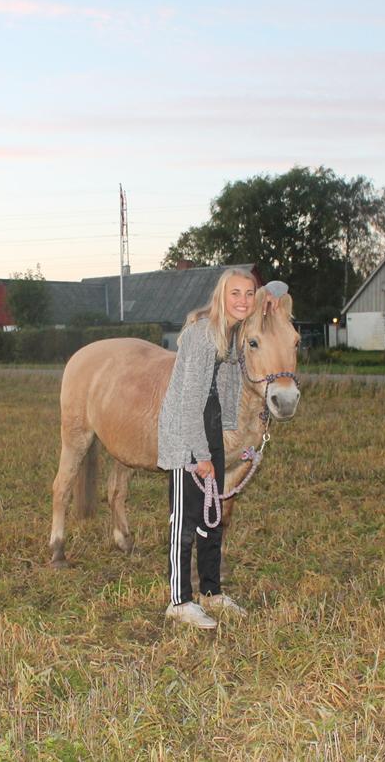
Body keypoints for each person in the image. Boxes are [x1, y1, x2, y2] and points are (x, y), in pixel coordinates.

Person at [157, 269, 287, 629]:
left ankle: (211, 592)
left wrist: (271, 293)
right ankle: (178, 601)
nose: (244, 300)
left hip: (212, 425)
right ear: (221, 296)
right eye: (236, 294)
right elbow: (188, 403)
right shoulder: (202, 335)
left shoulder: (234, 330)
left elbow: (279, 287)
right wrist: (199, 456)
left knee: (213, 515)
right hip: (187, 434)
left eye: (250, 294)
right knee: (185, 519)